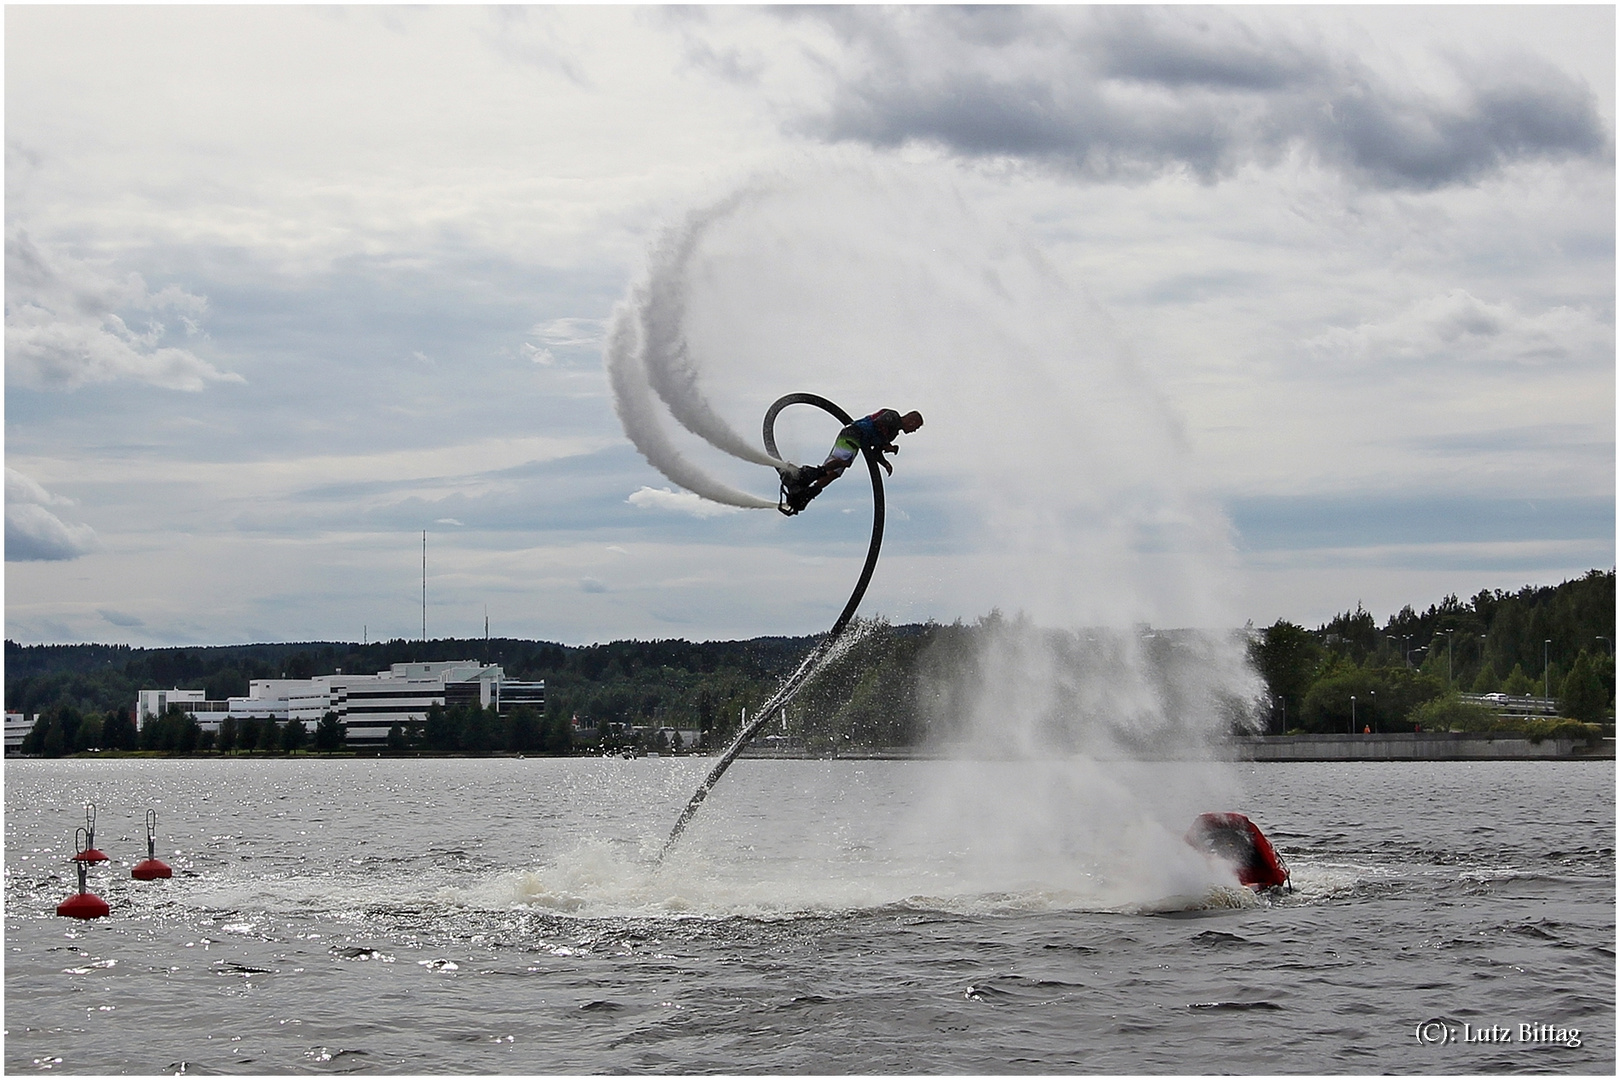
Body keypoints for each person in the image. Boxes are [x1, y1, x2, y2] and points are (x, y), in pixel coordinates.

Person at [778, 408, 923, 515]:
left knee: (836, 473)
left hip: (858, 441)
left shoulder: (893, 434)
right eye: (915, 427)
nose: (914, 431)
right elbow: (879, 424)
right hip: (853, 434)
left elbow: (875, 452)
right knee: (842, 462)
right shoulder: (893, 417)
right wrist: (886, 444)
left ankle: (806, 493)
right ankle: (802, 476)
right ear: (911, 420)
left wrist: (885, 463)